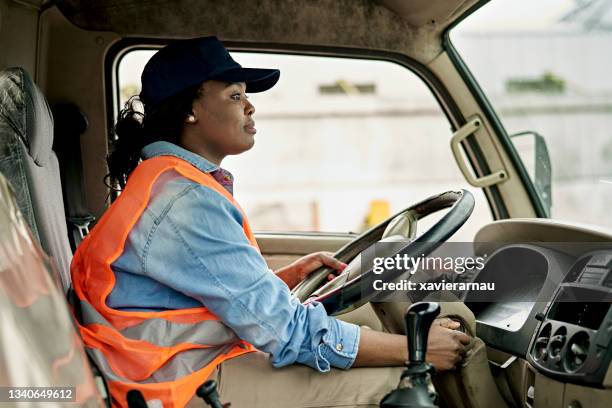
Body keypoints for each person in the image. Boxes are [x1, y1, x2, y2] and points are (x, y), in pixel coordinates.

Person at [71, 36, 471, 408]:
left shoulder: (169, 181)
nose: (250, 106)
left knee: (364, 326)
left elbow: (190, 301)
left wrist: (283, 280)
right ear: (191, 109)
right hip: (172, 386)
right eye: (235, 95)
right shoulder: (186, 200)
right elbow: (289, 333)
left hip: (166, 367)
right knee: (396, 380)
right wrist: (417, 350)